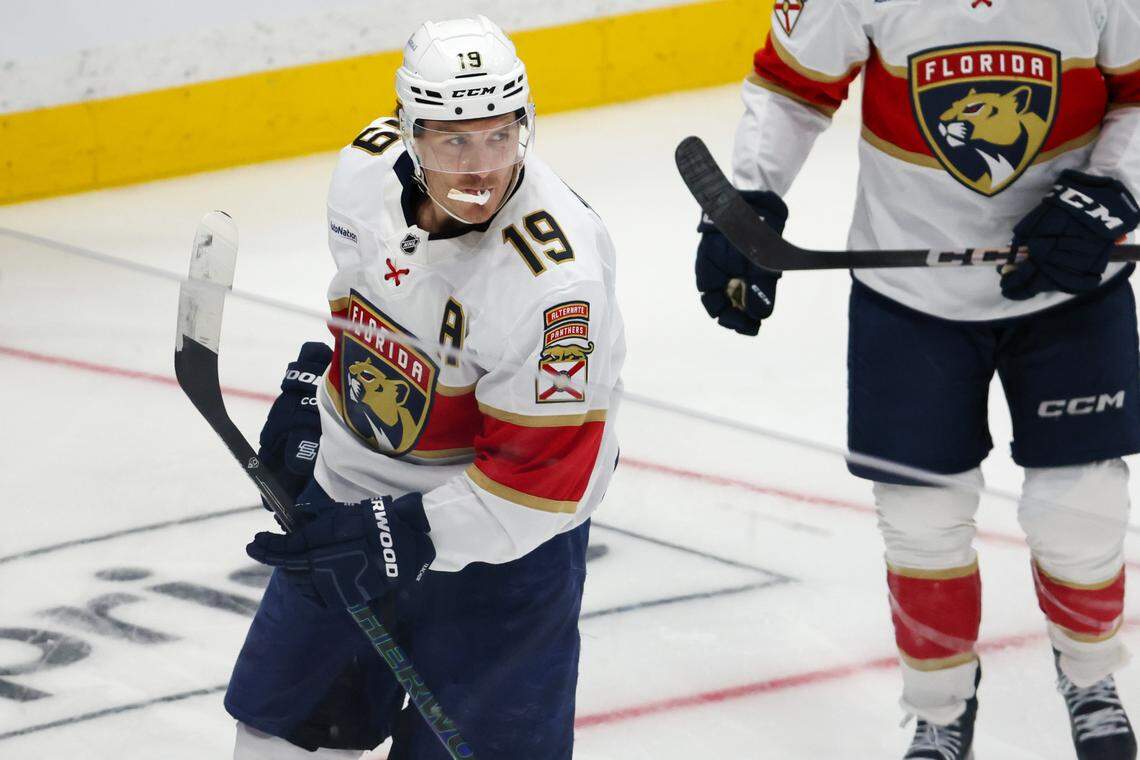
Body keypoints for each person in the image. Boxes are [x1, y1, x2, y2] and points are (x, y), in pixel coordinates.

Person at [695, 2, 1140, 758]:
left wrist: (1110, 191)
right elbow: (793, 87)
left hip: (1071, 284)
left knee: (1081, 510)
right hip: (907, 291)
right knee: (921, 520)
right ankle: (939, 709)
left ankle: (1093, 677)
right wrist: (752, 200)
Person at [224, 15, 625, 759]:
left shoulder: (555, 285)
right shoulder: (364, 176)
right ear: (410, 134)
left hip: (502, 563)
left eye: (500, 136)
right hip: (346, 503)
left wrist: (394, 531)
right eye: (454, 140)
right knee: (281, 735)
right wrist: (315, 393)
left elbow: (539, 485)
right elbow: (362, 307)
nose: (480, 168)